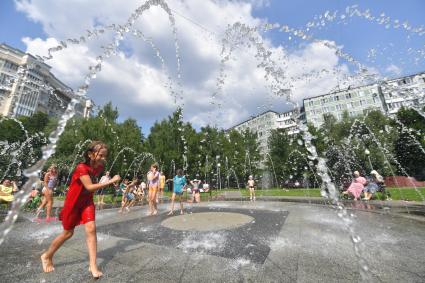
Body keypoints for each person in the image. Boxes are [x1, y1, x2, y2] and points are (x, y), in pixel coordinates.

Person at [40, 141, 121, 278]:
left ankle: (93, 265)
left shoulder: (99, 167)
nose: (103, 159)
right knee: (68, 233)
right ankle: (47, 256)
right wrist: (111, 181)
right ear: (90, 154)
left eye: (105, 156)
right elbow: (89, 186)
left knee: (91, 228)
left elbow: (91, 188)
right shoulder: (81, 168)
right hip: (73, 203)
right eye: (101, 155)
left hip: (87, 202)